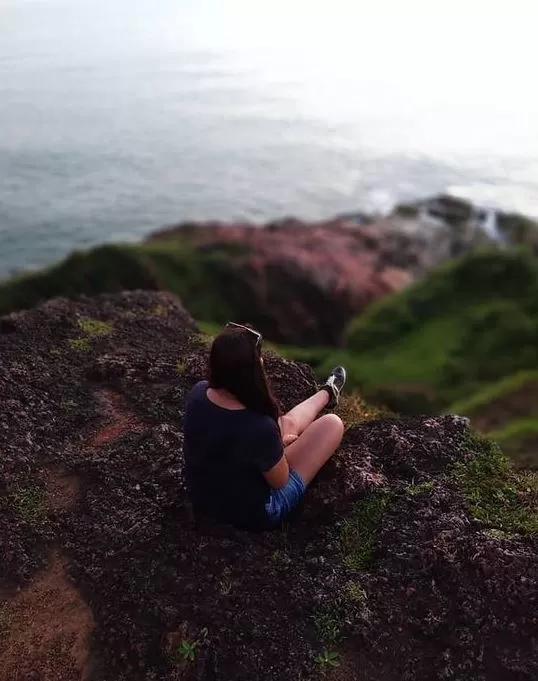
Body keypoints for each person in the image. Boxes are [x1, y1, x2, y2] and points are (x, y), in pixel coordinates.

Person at [183, 322, 346, 531]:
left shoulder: (199, 393)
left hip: (201, 495)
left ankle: (327, 393)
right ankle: (327, 393)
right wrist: (279, 447)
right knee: (331, 424)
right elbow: (280, 482)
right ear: (256, 368)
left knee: (285, 424)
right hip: (253, 513)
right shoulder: (258, 426)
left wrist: (274, 443)